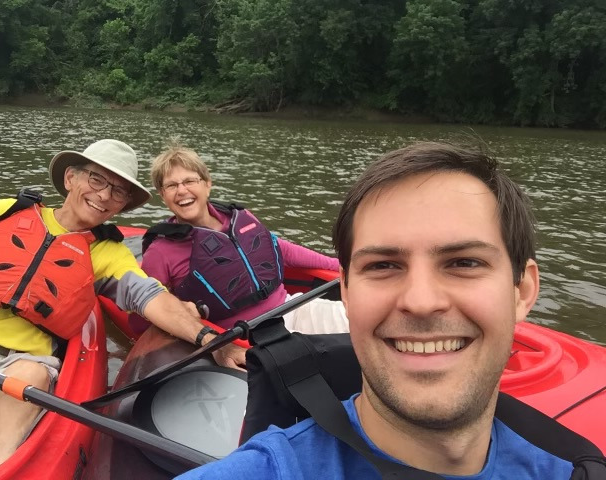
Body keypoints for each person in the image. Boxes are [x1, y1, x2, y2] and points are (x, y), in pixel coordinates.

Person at [173, 141, 583, 479]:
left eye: (464, 262)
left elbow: (284, 253)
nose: (421, 302)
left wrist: (342, 264)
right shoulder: (265, 471)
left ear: (522, 291)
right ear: (346, 291)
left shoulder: (575, 469)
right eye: (382, 265)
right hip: (253, 327)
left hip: (287, 306)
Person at [0, 139, 245, 478]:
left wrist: (211, 341)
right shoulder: (6, 211)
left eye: (118, 191)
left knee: (30, 380)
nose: (103, 195)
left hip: (12, 371)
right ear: (71, 178)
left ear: (123, 206)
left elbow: (152, 299)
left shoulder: (107, 254)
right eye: (96, 179)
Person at [128, 142, 348, 337]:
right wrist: (180, 311)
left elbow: (281, 249)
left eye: (189, 181)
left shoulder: (240, 218)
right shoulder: (161, 251)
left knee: (357, 321)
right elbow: (142, 319)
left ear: (207, 184)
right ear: (162, 195)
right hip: (238, 337)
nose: (182, 190)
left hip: (291, 308)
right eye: (171, 185)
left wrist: (340, 264)